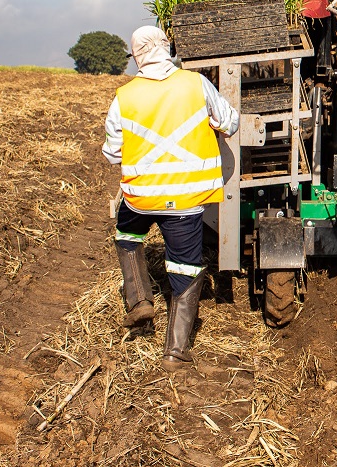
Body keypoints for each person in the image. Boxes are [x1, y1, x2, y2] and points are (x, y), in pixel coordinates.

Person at [102, 26, 239, 370]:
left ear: (136, 58)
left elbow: (112, 154)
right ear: (167, 47)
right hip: (186, 199)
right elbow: (230, 122)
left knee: (127, 236)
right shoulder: (195, 84)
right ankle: (176, 352)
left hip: (141, 197)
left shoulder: (125, 96)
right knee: (185, 268)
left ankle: (138, 301)